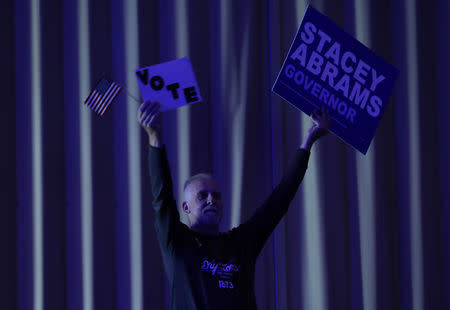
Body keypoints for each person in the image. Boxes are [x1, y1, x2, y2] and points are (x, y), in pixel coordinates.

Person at [138, 101, 330, 310]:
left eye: (216, 196)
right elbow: (162, 197)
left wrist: (308, 142)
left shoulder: (241, 242)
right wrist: (154, 138)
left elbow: (280, 200)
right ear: (186, 207)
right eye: (202, 196)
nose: (211, 200)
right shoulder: (177, 242)